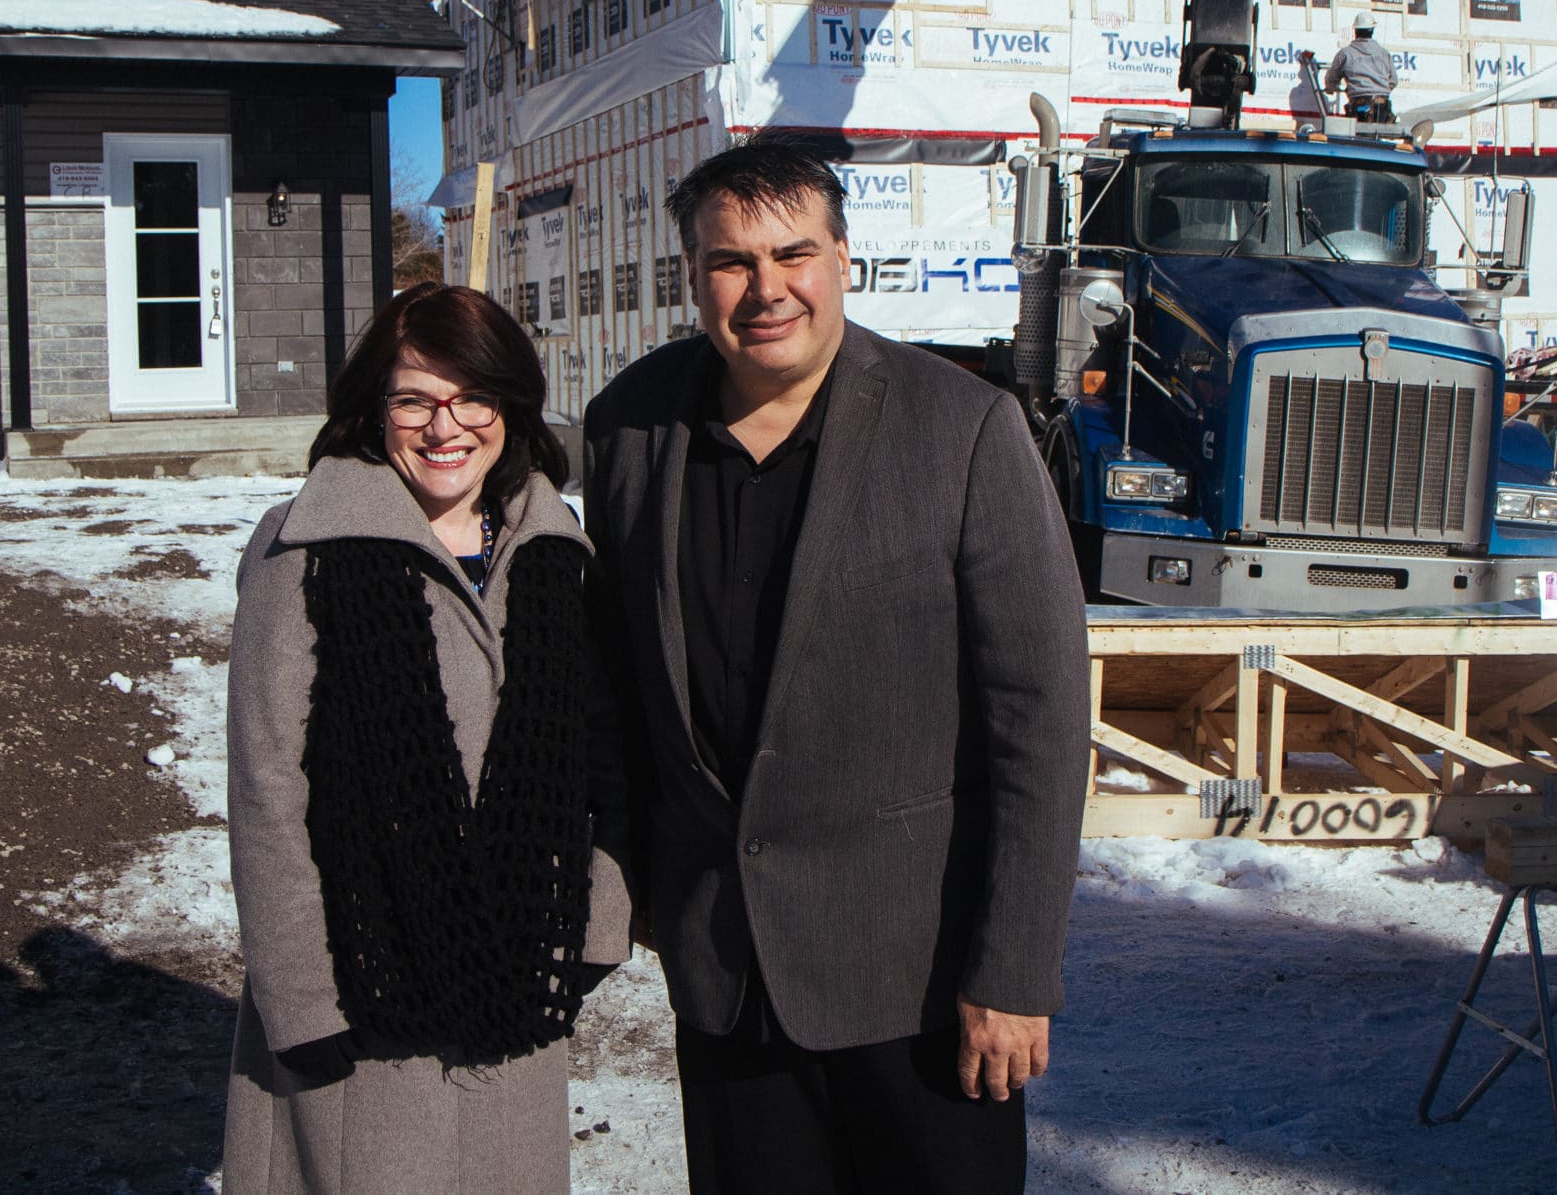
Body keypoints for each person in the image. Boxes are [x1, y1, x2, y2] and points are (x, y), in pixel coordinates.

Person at [581, 137, 1087, 1195]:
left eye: (792, 253)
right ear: (693, 276)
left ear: (843, 260)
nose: (765, 288)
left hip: (921, 983)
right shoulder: (630, 428)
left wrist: (1013, 968)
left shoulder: (963, 428)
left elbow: (1036, 722)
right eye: (731, 262)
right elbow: (620, 685)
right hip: (727, 972)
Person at [223, 282, 629, 1195]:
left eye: (472, 395)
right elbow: (266, 787)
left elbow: (605, 766)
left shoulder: (556, 553)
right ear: (375, 409)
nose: (446, 426)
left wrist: (596, 923)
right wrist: (303, 1000)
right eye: (414, 398)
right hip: (362, 995)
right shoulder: (305, 553)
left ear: (509, 404)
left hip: (515, 987)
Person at [1325, 12, 1399, 123]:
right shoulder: (1384, 53)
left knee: (1357, 136)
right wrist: (1380, 90)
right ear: (1372, 30)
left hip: (1358, 105)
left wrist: (1330, 88)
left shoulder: (1345, 53)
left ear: (1355, 31)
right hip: (1382, 106)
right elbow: (1393, 81)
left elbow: (1332, 78)